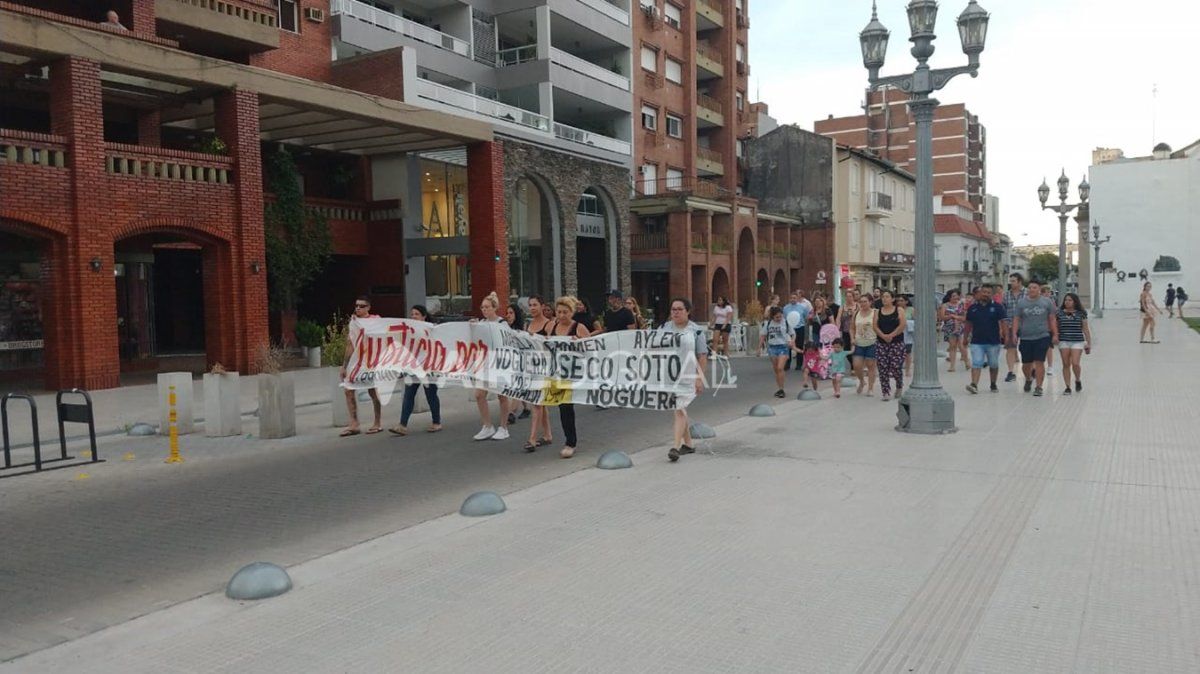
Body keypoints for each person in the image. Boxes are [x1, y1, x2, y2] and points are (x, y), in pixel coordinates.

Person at [663, 297, 707, 463]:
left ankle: (675, 447)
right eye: (673, 309)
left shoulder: (696, 331)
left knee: (679, 409)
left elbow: (702, 356)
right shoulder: (665, 328)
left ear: (688, 311)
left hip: (687, 376)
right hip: (669, 375)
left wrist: (699, 378)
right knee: (679, 408)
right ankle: (688, 444)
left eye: (679, 309)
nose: (675, 312)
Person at [546, 296, 590, 458]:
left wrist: (578, 343)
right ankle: (566, 439)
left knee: (567, 407)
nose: (562, 315)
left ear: (572, 312)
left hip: (576, 374)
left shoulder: (579, 327)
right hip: (559, 373)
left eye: (565, 312)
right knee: (563, 407)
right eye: (559, 312)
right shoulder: (552, 327)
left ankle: (571, 442)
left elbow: (591, 349)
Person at [389, 305, 442, 435]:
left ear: (424, 316)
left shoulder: (432, 329)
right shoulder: (408, 331)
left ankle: (436, 422)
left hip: (428, 368)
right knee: (408, 395)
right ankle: (402, 425)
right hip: (412, 368)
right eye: (412, 314)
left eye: (417, 314)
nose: (413, 316)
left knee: (431, 395)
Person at [339, 296, 382, 437]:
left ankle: (377, 422)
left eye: (362, 306)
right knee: (348, 389)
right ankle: (354, 423)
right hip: (357, 362)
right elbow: (350, 344)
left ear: (368, 307)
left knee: (373, 392)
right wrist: (344, 365)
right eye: (356, 305)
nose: (358, 308)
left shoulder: (375, 321)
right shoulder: (354, 322)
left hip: (371, 362)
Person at [471, 292, 510, 441]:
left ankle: (503, 427)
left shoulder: (502, 324)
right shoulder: (481, 323)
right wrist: (473, 328)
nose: (484, 310)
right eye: (482, 307)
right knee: (479, 395)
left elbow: (507, 342)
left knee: (502, 395)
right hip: (485, 365)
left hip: (500, 364)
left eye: (487, 307)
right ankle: (487, 426)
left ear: (495, 308)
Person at [1013, 280, 1058, 397]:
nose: (1031, 289)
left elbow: (1052, 319)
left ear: (1039, 289)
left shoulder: (1047, 302)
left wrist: (1055, 334)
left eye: (1034, 287)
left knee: (1039, 361)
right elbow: (1017, 318)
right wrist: (1014, 333)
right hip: (1026, 337)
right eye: (1030, 287)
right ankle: (1028, 379)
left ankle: (1039, 386)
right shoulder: (1021, 303)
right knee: (1026, 363)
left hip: (1042, 335)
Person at [524, 296, 554, 452]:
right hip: (532, 368)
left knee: (536, 403)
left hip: (545, 368)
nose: (532, 308)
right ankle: (548, 434)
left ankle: (532, 439)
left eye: (535, 305)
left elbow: (552, 345)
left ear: (542, 306)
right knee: (540, 403)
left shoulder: (549, 324)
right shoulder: (528, 324)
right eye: (530, 305)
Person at [963, 284, 1005, 394]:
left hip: (993, 341)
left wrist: (1007, 336)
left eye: (988, 292)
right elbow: (968, 324)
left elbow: (1003, 322)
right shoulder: (972, 308)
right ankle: (974, 385)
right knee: (976, 362)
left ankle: (993, 383)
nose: (985, 294)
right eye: (984, 292)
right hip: (976, 341)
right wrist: (965, 337)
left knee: (993, 364)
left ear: (992, 294)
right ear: (980, 293)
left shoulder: (997, 307)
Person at [1056, 292, 1091, 395]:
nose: (1067, 302)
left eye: (1070, 300)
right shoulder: (1059, 313)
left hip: (1077, 341)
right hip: (1064, 340)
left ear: (1075, 302)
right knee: (1066, 364)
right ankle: (1067, 386)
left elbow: (1085, 329)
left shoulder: (1081, 313)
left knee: (1075, 363)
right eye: (1066, 300)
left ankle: (1077, 379)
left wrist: (1088, 343)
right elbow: (1057, 326)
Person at [873, 290, 905, 402]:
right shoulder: (878, 312)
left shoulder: (899, 310)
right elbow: (875, 326)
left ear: (892, 299)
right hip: (881, 343)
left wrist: (892, 335)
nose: (884, 299)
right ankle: (885, 391)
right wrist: (883, 336)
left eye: (887, 297)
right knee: (883, 367)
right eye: (883, 297)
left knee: (896, 366)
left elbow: (902, 325)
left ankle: (899, 385)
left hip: (896, 342)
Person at [761, 306, 794, 399]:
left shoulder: (785, 322)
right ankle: (779, 388)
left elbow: (793, 333)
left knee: (780, 368)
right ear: (772, 317)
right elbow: (763, 336)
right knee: (776, 369)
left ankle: (782, 389)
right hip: (772, 347)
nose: (779, 318)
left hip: (783, 346)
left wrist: (792, 341)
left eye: (780, 316)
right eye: (777, 317)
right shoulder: (768, 324)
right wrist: (759, 348)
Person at [503, 302, 528, 424]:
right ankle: (527, 407)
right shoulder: (505, 328)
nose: (508, 315)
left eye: (511, 313)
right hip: (511, 361)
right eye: (507, 313)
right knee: (518, 387)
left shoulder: (523, 328)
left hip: (522, 361)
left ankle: (511, 412)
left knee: (517, 387)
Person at [850, 294, 878, 396]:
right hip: (859, 342)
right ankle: (862, 381)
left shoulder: (875, 313)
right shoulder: (856, 313)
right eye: (861, 301)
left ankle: (870, 388)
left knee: (871, 365)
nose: (863, 304)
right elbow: (852, 327)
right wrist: (852, 338)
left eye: (865, 301)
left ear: (870, 302)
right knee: (856, 365)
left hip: (872, 342)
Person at [1001, 274, 1026, 383]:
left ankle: (1031, 369)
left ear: (1020, 282)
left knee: (1026, 348)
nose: (1011, 283)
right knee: (1010, 348)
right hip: (1010, 325)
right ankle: (1011, 372)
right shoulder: (1006, 295)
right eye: (1010, 281)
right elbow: (1003, 312)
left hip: (1026, 325)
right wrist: (1003, 328)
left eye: (1013, 281)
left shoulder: (1028, 293)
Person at [939, 290, 967, 372]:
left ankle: (967, 361)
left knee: (961, 346)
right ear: (949, 297)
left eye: (956, 296)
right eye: (953, 296)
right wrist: (951, 316)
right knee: (952, 346)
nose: (955, 298)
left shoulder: (961, 305)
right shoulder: (945, 305)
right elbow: (942, 317)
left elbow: (964, 317)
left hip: (960, 327)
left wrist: (956, 318)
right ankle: (952, 366)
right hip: (949, 327)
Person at [782, 292, 810, 370]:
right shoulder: (785, 308)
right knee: (788, 346)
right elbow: (784, 318)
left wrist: (803, 324)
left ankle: (799, 364)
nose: (793, 299)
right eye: (791, 298)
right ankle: (787, 364)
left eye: (794, 298)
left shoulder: (802, 307)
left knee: (799, 345)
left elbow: (806, 317)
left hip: (799, 328)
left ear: (797, 298)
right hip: (789, 329)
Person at [896, 295, 914, 378]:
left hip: (907, 332)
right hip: (897, 332)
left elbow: (915, 320)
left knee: (907, 352)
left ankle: (907, 370)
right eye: (898, 300)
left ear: (906, 301)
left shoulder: (911, 310)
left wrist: (907, 322)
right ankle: (897, 369)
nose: (900, 302)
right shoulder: (895, 310)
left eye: (902, 300)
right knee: (897, 352)